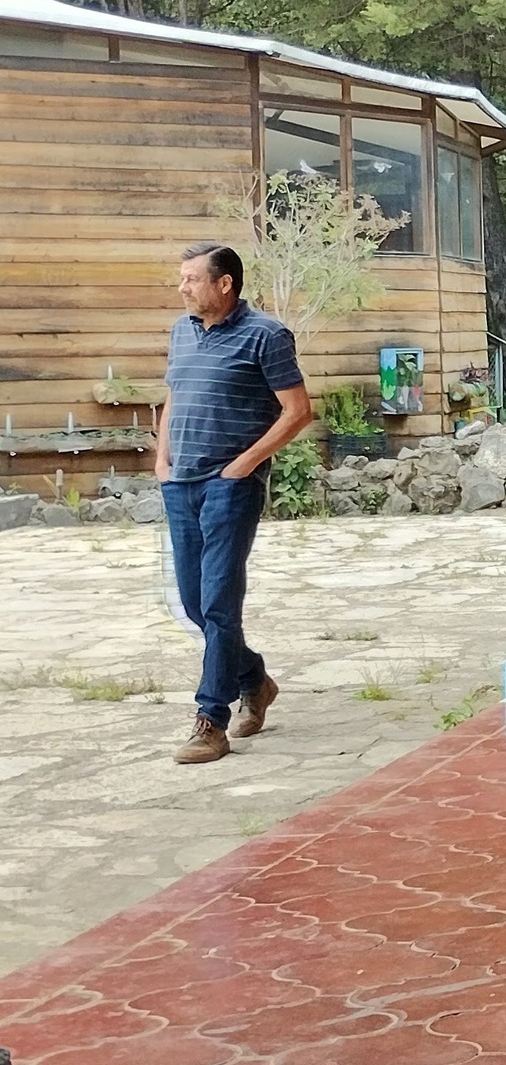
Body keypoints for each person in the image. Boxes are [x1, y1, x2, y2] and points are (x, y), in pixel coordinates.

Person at [156, 242, 314, 764]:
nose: (182, 287)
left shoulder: (266, 335)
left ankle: (211, 720)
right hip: (181, 483)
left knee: (220, 603)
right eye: (182, 278)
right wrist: (163, 460)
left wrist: (244, 464)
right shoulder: (182, 331)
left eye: (192, 279)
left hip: (229, 485)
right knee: (196, 604)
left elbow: (297, 412)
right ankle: (254, 679)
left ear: (225, 284)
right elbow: (174, 396)